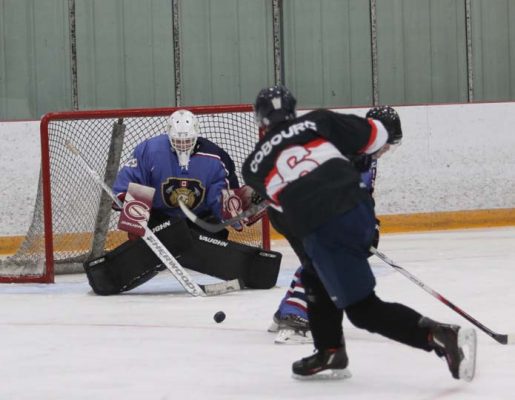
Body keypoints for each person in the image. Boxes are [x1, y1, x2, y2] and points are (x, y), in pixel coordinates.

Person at [242, 85, 477, 381]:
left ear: (260, 119)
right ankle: (330, 351)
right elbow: (378, 134)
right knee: (315, 273)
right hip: (359, 210)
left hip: (324, 225)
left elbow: (282, 206)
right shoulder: (318, 122)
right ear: (292, 110)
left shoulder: (252, 166)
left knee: (363, 310)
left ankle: (439, 335)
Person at [84, 109, 281, 295]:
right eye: (178, 140)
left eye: (187, 140)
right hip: (160, 222)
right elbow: (128, 184)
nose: (183, 145)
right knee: (169, 234)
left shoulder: (215, 157)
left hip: (200, 223)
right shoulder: (149, 150)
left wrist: (239, 208)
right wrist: (134, 218)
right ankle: (109, 275)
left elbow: (220, 199)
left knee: (201, 232)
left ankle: (254, 270)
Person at [268, 149, 378, 345]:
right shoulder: (355, 155)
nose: (387, 149)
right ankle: (295, 316)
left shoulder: (356, 149)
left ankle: (288, 308)